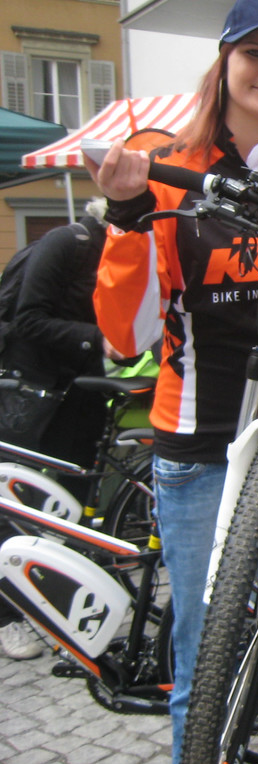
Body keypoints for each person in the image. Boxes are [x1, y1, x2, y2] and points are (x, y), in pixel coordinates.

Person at [83, 0, 258, 764]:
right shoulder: (167, 171)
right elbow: (128, 336)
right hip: (200, 448)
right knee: (205, 653)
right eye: (255, 55)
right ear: (225, 64)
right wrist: (126, 216)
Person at [0, 198, 114, 660]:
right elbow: (28, 319)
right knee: (14, 501)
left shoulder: (130, 253)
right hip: (32, 389)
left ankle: (61, 608)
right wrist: (96, 339)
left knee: (73, 497)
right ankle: (7, 617)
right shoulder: (68, 242)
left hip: (81, 392)